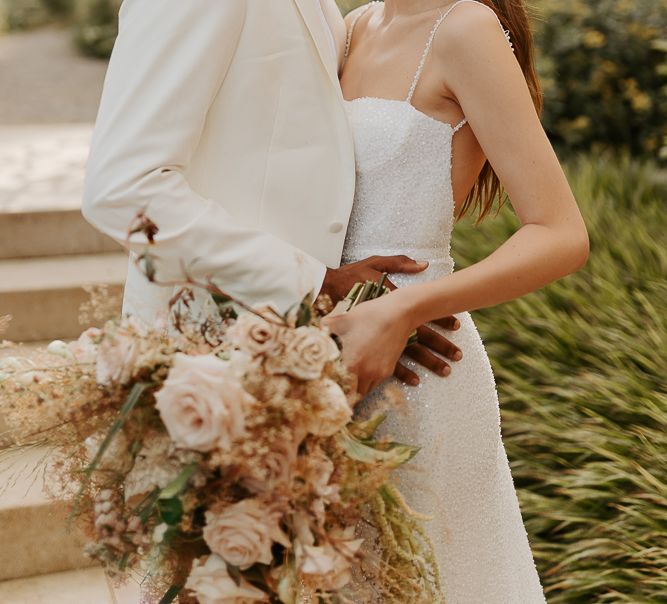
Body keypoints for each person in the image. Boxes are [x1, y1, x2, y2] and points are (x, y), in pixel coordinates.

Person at [323, 0, 589, 601]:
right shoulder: (352, 25)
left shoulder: (464, 27)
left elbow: (560, 232)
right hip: (324, 356)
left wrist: (402, 308)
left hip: (418, 370)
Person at [81, 0, 462, 387]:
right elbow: (121, 189)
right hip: (202, 367)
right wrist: (312, 287)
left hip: (312, 367)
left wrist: (368, 312)